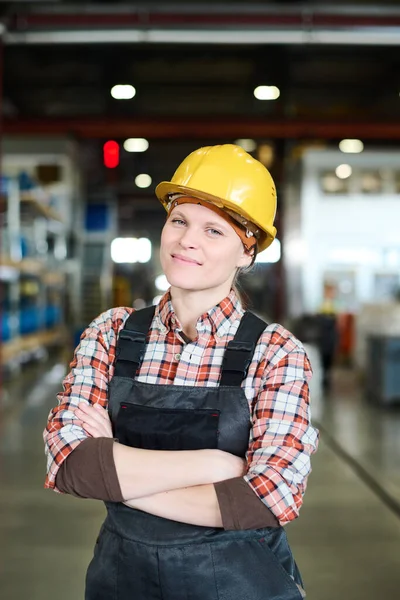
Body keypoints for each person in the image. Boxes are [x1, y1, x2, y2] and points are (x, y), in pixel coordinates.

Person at [43, 144, 319, 600]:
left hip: (243, 583)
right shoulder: (112, 333)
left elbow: (269, 498)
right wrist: (213, 467)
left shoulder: (275, 353)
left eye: (214, 230)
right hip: (122, 580)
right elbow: (71, 465)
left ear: (247, 253)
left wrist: (117, 475)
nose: (187, 241)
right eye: (179, 221)